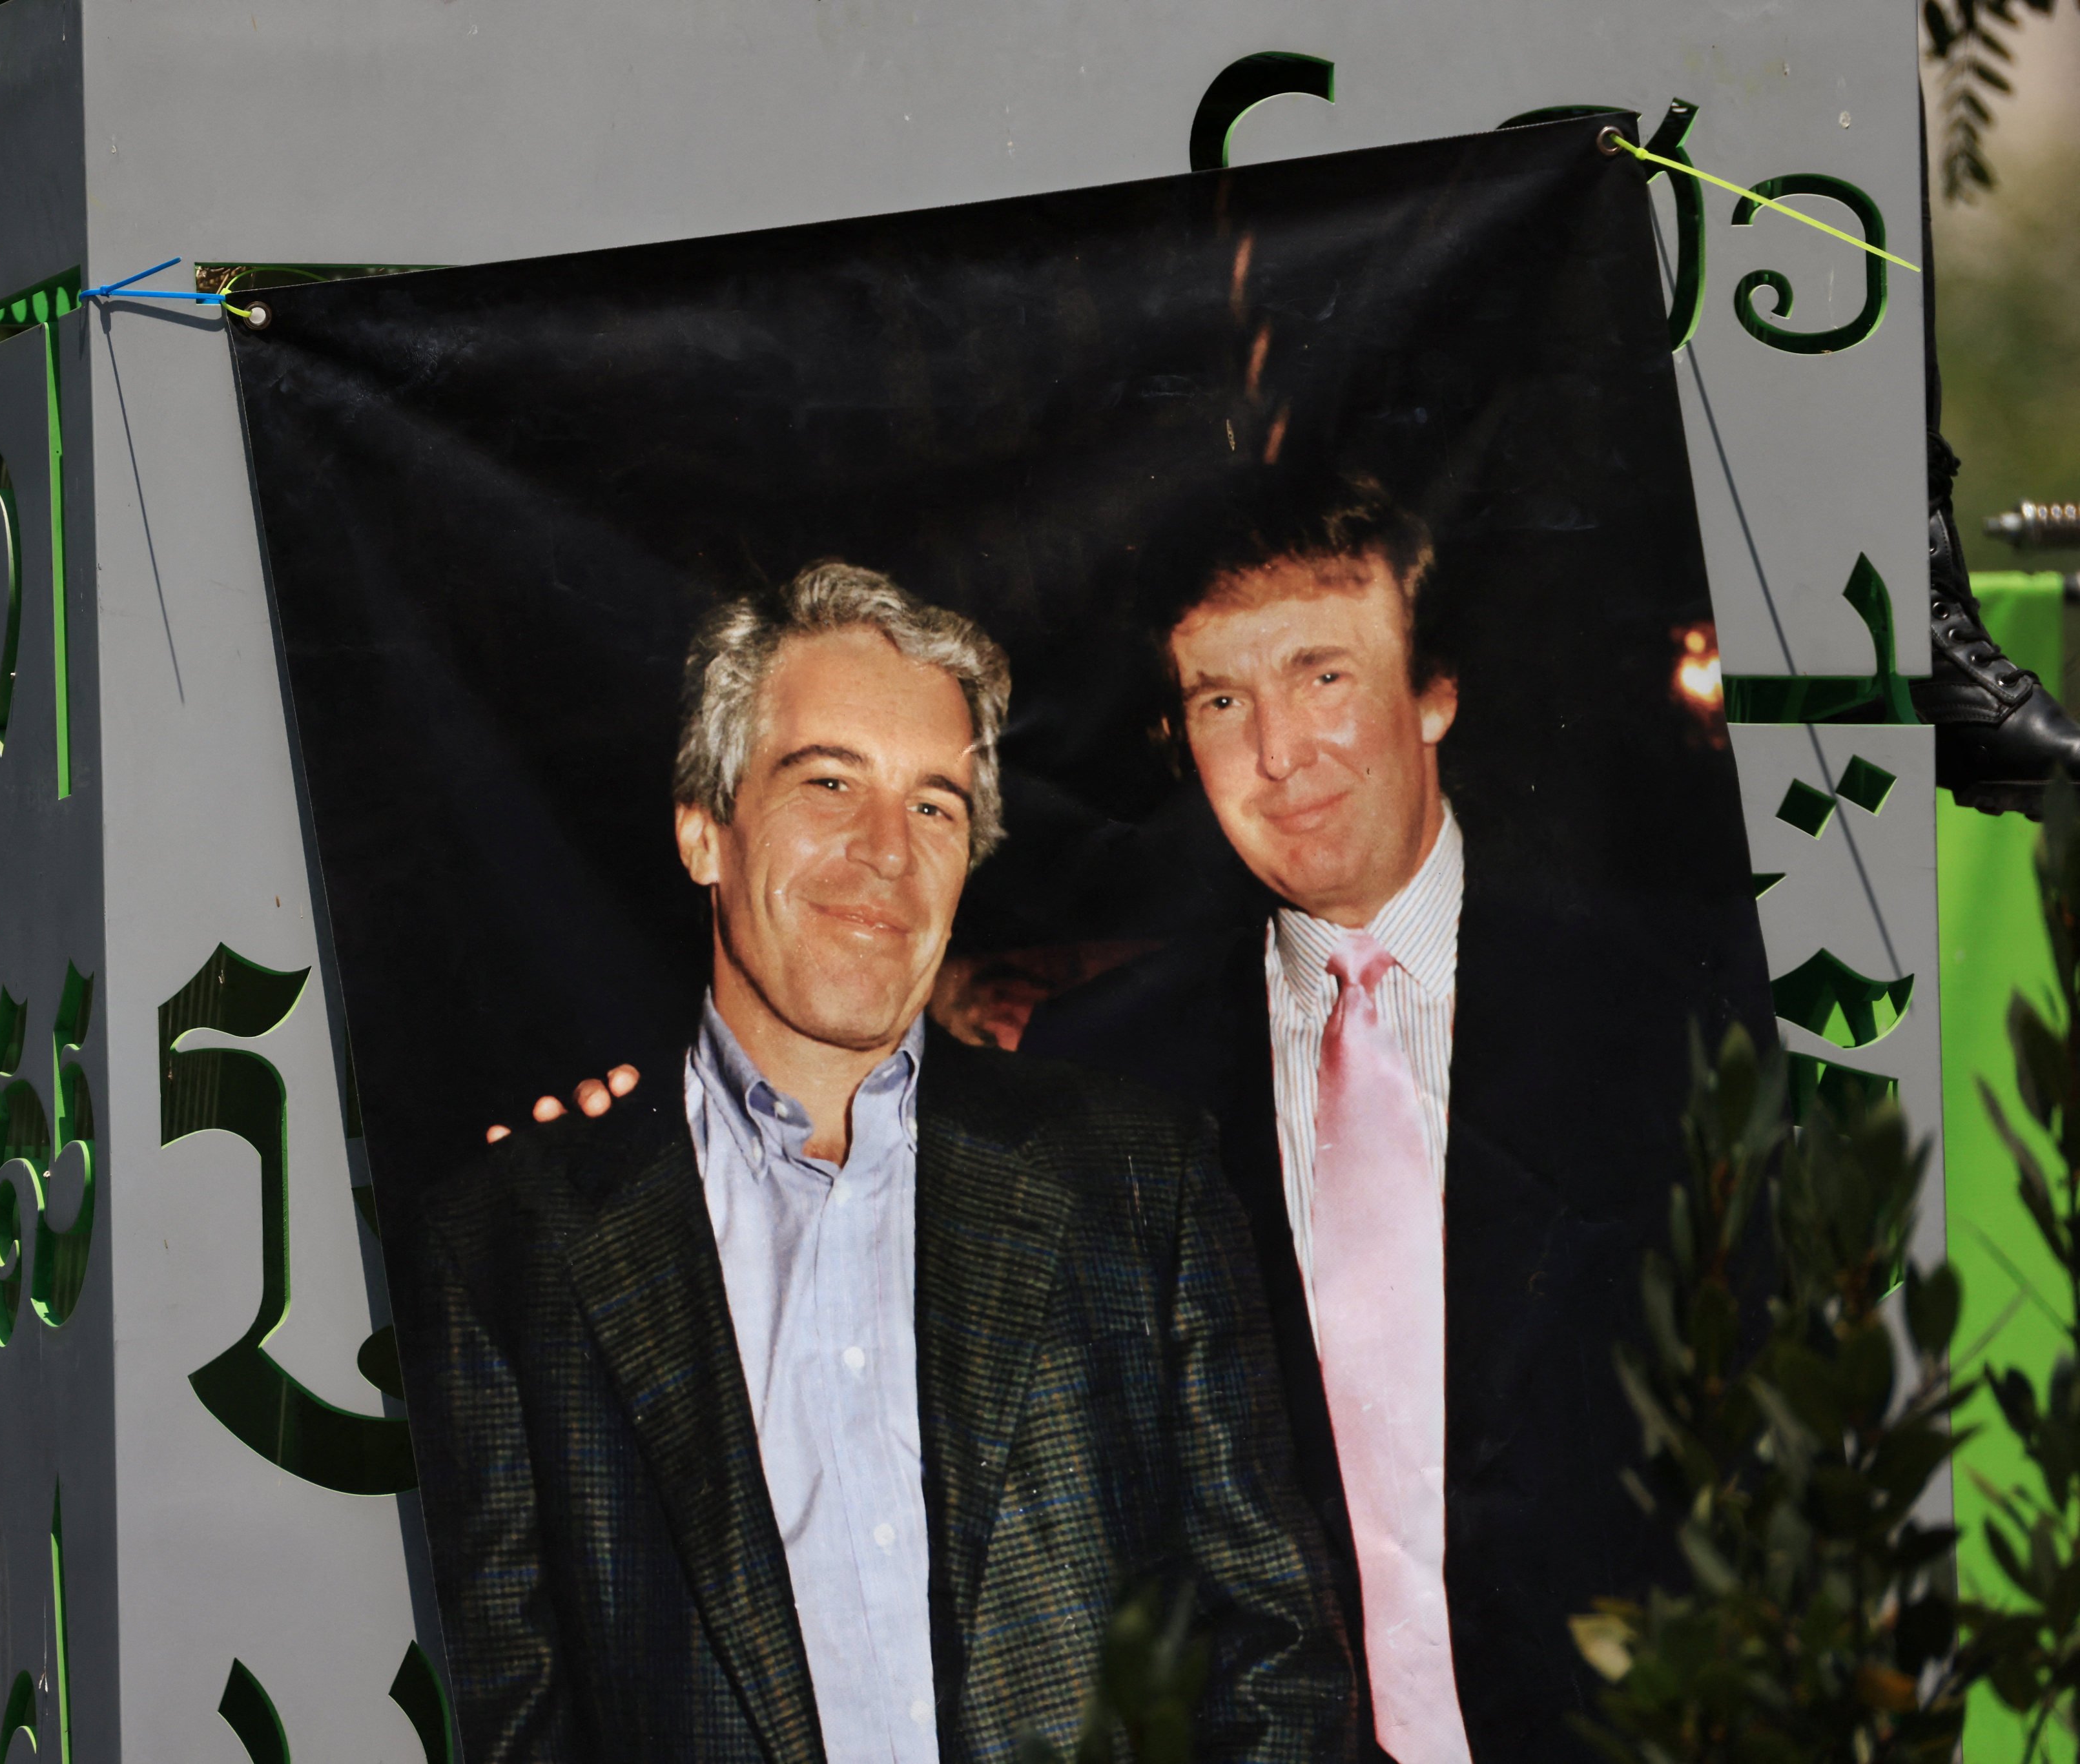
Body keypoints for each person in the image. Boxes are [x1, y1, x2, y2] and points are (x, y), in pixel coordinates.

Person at [413, 561, 1357, 1763]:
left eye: (934, 807)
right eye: (827, 783)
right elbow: (509, 1725)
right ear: (705, 829)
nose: (886, 854)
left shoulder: (1136, 1181)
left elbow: (1281, 1662)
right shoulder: (510, 1246)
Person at [1020, 478, 1773, 1761]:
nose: (1276, 753)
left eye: (1321, 676)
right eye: (1219, 701)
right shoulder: (1104, 1078)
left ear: (1433, 692)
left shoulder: (1677, 1015)